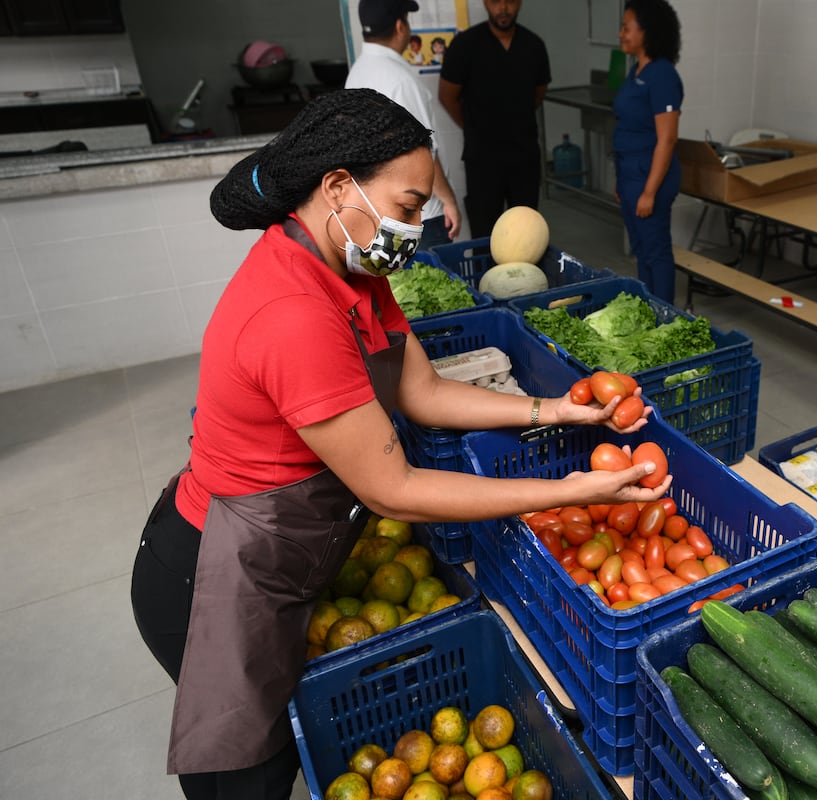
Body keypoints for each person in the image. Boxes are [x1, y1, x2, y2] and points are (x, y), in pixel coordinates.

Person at [129, 89, 668, 800]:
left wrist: (557, 410)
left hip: (278, 554)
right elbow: (395, 489)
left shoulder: (348, 266)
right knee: (249, 774)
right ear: (337, 187)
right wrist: (573, 491)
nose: (416, 228)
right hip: (213, 577)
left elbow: (424, 392)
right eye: (409, 207)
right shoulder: (293, 312)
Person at [345, 0, 460, 248]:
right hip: (420, 217)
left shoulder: (357, 73)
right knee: (434, 284)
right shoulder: (400, 80)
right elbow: (424, 150)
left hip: (379, 214)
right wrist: (449, 201)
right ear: (400, 26)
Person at [438, 0, 550, 238]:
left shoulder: (533, 45)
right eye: (496, 1)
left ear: (519, 3)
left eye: (509, 1)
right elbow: (447, 96)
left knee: (527, 234)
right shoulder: (465, 45)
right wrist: (473, 127)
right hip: (483, 161)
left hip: (524, 157)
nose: (503, 8)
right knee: (485, 233)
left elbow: (538, 94)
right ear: (485, 3)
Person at [613, 0, 683, 304]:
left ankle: (666, 318)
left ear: (647, 32)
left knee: (656, 253)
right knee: (641, 250)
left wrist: (649, 192)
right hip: (631, 176)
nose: (621, 34)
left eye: (627, 28)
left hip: (649, 178)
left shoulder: (663, 75)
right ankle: (649, 309)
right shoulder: (637, 70)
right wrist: (621, 181)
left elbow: (666, 140)